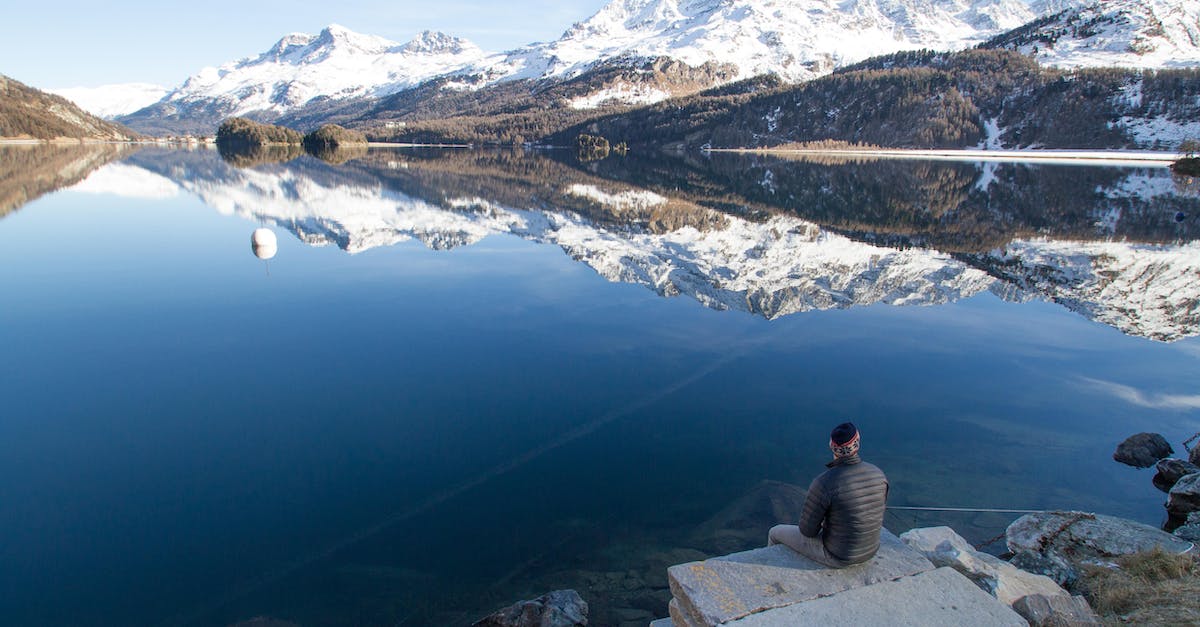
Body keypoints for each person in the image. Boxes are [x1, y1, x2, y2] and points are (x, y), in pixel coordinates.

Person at [768, 422, 889, 568]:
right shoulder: (879, 474)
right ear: (857, 443)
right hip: (870, 550)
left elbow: (807, 531)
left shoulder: (824, 482)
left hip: (838, 556)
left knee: (774, 532)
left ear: (832, 446)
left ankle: (770, 567)